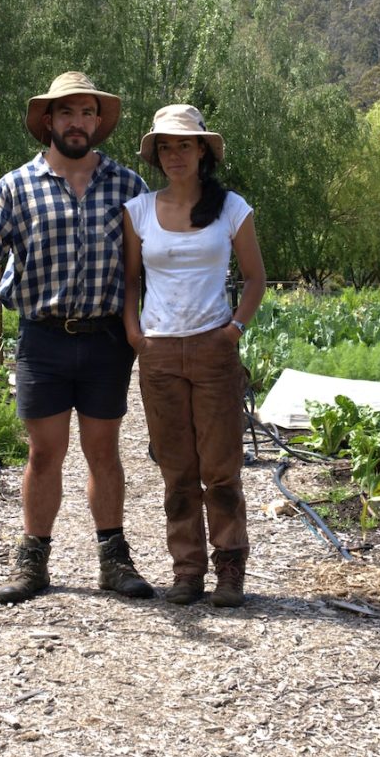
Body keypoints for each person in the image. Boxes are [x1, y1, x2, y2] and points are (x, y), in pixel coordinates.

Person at [0, 71, 153, 605]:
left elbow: (158, 256)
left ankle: (114, 561)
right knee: (44, 452)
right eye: (66, 113)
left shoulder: (128, 187)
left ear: (97, 122)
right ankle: (32, 563)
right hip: (44, 341)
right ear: (48, 122)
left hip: (106, 340)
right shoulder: (16, 186)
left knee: (104, 451)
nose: (77, 122)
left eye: (86, 113)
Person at [123, 104, 266, 608]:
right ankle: (186, 572)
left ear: (202, 150)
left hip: (213, 348)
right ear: (156, 154)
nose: (174, 153)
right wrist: (135, 335)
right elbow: (130, 280)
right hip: (159, 352)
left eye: (184, 143)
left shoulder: (231, 208)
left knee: (221, 466)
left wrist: (233, 331)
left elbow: (255, 278)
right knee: (176, 468)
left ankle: (230, 570)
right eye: (165, 145)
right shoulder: (139, 209)